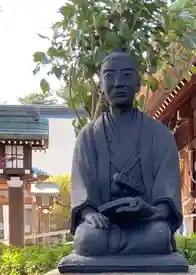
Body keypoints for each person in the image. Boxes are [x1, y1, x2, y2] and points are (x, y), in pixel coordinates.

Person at [70, 49, 183, 257]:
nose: (119, 82)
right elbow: (81, 189)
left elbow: (167, 200)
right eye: (109, 75)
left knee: (160, 235)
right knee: (86, 238)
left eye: (127, 75)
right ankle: (121, 249)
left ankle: (117, 250)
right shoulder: (88, 136)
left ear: (138, 85)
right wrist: (89, 213)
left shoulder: (160, 135)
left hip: (146, 225)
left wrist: (150, 211)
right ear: (101, 87)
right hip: (103, 226)